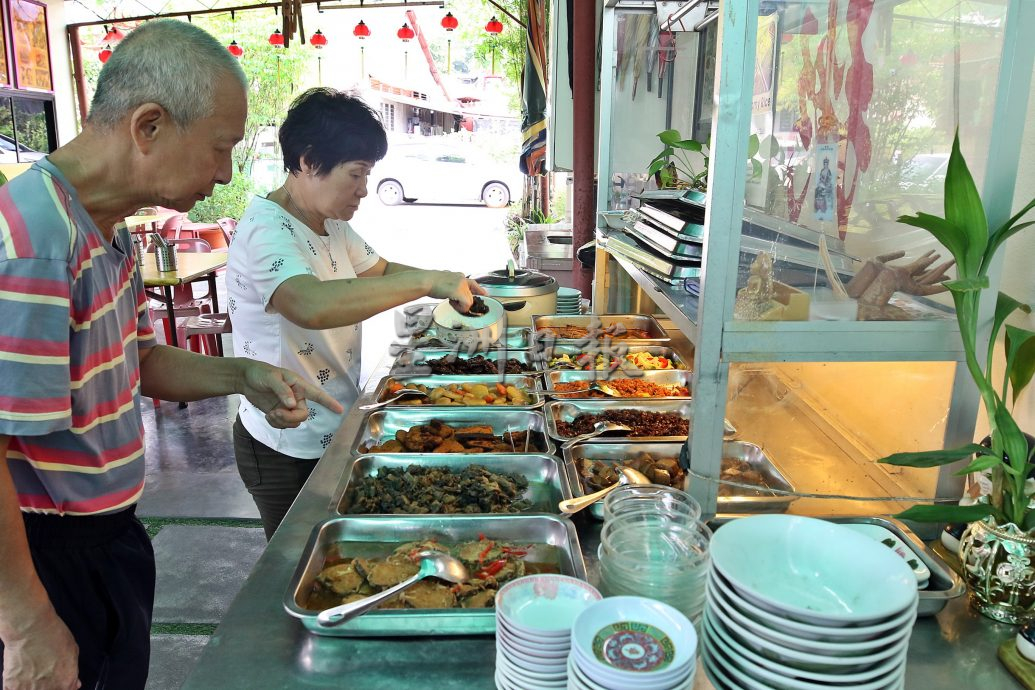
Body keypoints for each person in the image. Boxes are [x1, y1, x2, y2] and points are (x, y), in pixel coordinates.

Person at [0, 21, 343, 690]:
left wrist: (243, 374)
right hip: (45, 554)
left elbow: (134, 358)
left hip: (109, 536)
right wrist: (24, 621)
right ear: (148, 126)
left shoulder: (104, 225)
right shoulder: (36, 240)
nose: (222, 174)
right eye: (220, 148)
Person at [227, 88, 484, 540]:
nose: (365, 189)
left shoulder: (331, 225)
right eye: (356, 174)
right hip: (286, 436)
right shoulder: (266, 230)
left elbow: (379, 272)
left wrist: (451, 279)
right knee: (298, 560)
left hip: (336, 421)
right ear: (307, 161)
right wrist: (428, 283)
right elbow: (308, 304)